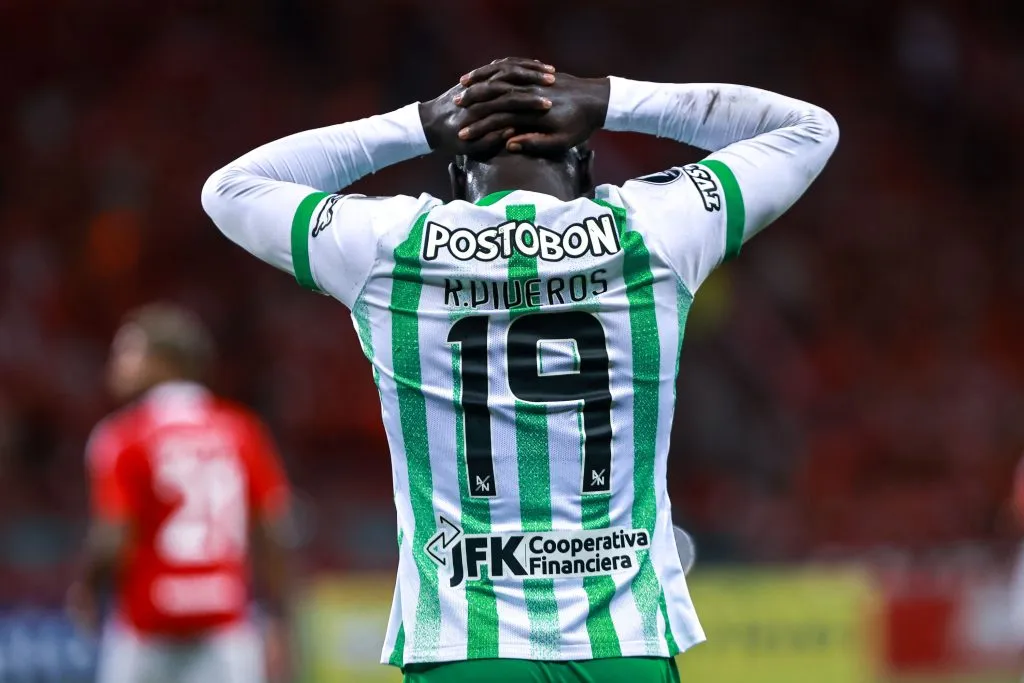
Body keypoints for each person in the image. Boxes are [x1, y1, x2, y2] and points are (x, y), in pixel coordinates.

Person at [202, 57, 839, 682]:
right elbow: (809, 131)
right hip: (623, 644)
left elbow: (231, 190)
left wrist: (419, 123)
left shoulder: (389, 246)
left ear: (457, 173)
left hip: (465, 646)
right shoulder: (654, 231)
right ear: (584, 165)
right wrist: (608, 99)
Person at [67, 304, 294, 683]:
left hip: (146, 629)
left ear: (165, 362)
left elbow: (114, 535)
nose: (116, 364)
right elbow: (273, 531)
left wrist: (87, 587)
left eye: (128, 352)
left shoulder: (122, 435)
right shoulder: (242, 431)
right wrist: (280, 617)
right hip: (226, 626)